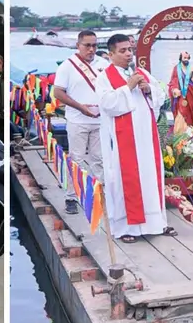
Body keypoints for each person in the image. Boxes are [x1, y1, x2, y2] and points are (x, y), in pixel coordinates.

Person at [96, 34, 176, 243]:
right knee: (126, 179)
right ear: (111, 54)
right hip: (124, 139)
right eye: (122, 51)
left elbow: (160, 96)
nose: (128, 54)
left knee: (150, 177)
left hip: (146, 137)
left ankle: (155, 223)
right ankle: (127, 228)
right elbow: (107, 104)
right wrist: (128, 87)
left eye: (130, 49)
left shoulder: (141, 72)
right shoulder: (104, 77)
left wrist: (149, 89)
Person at [53, 31, 107, 214]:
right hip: (77, 120)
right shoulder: (68, 66)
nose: (91, 49)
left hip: (100, 120)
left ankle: (100, 194)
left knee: (99, 159)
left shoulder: (104, 64)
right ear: (78, 45)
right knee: (76, 159)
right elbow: (58, 93)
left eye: (94, 45)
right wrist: (80, 107)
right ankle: (71, 197)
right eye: (87, 45)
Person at [167, 51, 193, 133]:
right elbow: (173, 82)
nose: (186, 60)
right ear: (180, 58)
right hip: (180, 98)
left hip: (191, 97)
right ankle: (179, 137)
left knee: (190, 116)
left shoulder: (192, 68)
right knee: (180, 115)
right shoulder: (176, 69)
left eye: (187, 58)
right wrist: (175, 90)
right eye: (184, 58)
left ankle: (189, 138)